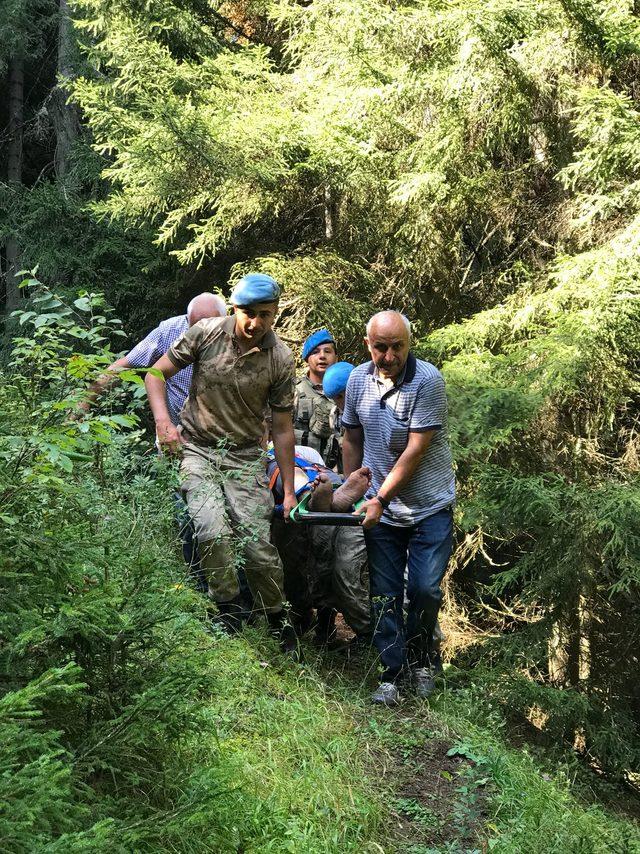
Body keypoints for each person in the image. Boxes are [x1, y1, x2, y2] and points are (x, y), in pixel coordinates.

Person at [144, 272, 299, 656]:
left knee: (259, 548)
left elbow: (281, 429)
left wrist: (291, 491)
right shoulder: (206, 333)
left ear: (275, 313)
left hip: (245, 458)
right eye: (248, 312)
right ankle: (227, 607)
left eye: (265, 314)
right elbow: (154, 373)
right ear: (234, 308)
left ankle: (278, 617)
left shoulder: (280, 359)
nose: (255, 322)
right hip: (197, 449)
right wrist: (164, 422)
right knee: (211, 530)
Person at [74, 293, 227, 592]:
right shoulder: (170, 331)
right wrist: (82, 404)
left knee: (228, 516)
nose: (202, 332)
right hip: (178, 440)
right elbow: (125, 364)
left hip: (224, 440)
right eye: (196, 325)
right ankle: (198, 589)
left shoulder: (238, 337)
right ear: (187, 321)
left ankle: (239, 598)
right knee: (187, 513)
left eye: (211, 325)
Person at [342, 311, 455, 705]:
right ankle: (392, 672)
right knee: (384, 593)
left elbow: (415, 451)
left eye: (397, 347)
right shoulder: (357, 380)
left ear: (410, 343)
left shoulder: (428, 381)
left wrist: (378, 498)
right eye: (380, 347)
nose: (389, 355)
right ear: (368, 344)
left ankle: (423, 661)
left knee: (424, 589)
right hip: (380, 509)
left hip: (428, 506)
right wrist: (353, 490)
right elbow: (351, 438)